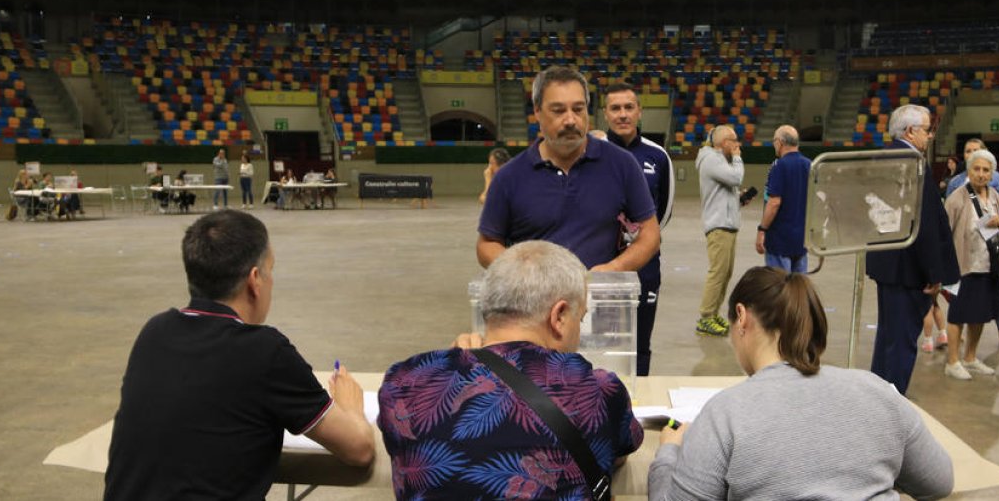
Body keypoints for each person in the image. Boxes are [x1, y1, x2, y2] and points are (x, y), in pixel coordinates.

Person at [103, 211, 375, 499]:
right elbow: (359, 450)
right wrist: (351, 407)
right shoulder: (265, 352)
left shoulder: (154, 333)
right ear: (255, 280)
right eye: (271, 270)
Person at [647, 266, 954, 501]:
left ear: (741, 317)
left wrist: (669, 453)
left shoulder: (724, 414)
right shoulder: (878, 392)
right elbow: (939, 482)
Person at [378, 240, 643, 500]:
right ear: (559, 316)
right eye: (581, 318)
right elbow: (617, 453)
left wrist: (454, 364)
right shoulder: (599, 391)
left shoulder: (402, 382)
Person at [477, 66, 659, 272]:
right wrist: (522, 272)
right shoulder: (509, 177)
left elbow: (650, 233)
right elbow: (486, 244)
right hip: (534, 299)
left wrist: (614, 268)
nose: (571, 120)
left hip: (596, 297)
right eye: (559, 110)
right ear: (537, 111)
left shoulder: (622, 164)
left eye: (578, 109)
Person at [866, 104, 960, 395]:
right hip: (908, 268)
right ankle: (891, 404)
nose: (930, 136)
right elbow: (925, 225)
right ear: (909, 131)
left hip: (888, 264)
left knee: (888, 337)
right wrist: (933, 272)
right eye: (927, 130)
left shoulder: (885, 157)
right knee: (901, 342)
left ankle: (879, 396)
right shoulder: (911, 162)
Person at [603, 82, 674, 376]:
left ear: (639, 112)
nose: (622, 114)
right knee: (601, 341)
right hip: (602, 264)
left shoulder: (657, 156)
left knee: (640, 343)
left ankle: (637, 406)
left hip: (645, 266)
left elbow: (664, 211)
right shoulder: (591, 152)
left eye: (628, 107)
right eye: (615, 108)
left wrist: (639, 240)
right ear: (605, 114)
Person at [942, 149, 999, 381]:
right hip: (964, 265)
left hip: (988, 267)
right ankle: (952, 361)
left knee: (980, 315)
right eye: (977, 169)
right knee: (958, 315)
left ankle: (970, 358)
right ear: (968, 171)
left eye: (986, 170)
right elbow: (943, 233)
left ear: (992, 174)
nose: (981, 174)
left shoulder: (995, 198)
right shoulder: (957, 198)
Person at [695, 125, 745, 337]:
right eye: (734, 141)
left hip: (728, 224)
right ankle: (706, 317)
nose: (737, 144)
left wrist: (739, 199)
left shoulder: (720, 161)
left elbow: (726, 190)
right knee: (717, 273)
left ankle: (713, 313)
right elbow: (736, 178)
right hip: (719, 227)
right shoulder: (711, 159)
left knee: (725, 273)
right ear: (723, 143)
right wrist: (737, 158)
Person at [755, 125, 811, 273]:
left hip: (780, 239)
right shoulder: (810, 165)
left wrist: (762, 230)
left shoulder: (779, 166)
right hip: (802, 239)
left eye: (774, 141)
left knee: (779, 288)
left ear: (780, 142)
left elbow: (774, 202)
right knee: (798, 289)